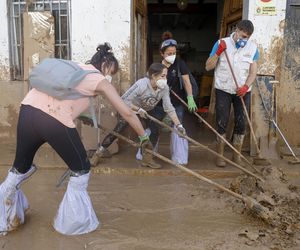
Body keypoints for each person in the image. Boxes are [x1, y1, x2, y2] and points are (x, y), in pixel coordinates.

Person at [0, 43, 151, 236]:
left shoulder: (74, 68)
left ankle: (5, 217)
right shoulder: (98, 79)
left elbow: (59, 98)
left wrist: (82, 116)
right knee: (81, 168)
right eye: (111, 72)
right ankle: (73, 225)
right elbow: (127, 113)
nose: (110, 77)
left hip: (27, 112)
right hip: (54, 121)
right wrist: (143, 136)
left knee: (20, 167)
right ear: (105, 66)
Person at [90, 62, 186, 168]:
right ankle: (98, 154)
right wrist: (138, 109)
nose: (165, 79)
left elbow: (169, 108)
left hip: (148, 110)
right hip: (131, 109)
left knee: (154, 131)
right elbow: (123, 100)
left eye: (166, 76)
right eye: (162, 76)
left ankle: (147, 159)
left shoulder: (164, 88)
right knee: (117, 132)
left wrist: (179, 125)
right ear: (153, 76)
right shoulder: (142, 84)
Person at [205, 20, 259, 167]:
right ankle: (220, 155)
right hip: (223, 89)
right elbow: (208, 66)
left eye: (246, 37)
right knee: (222, 121)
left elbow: (253, 72)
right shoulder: (222, 43)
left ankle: (237, 155)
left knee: (241, 123)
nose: (243, 40)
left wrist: (246, 86)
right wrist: (218, 52)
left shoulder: (253, 48)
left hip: (242, 91)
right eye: (242, 36)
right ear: (236, 30)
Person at [148, 31, 197, 165]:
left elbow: (187, 82)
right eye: (169, 53)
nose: (172, 56)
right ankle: (148, 154)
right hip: (159, 103)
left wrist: (190, 97)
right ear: (162, 53)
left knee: (178, 128)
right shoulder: (156, 67)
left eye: (174, 53)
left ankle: (179, 158)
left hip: (176, 103)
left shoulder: (180, 64)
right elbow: (150, 85)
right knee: (154, 127)